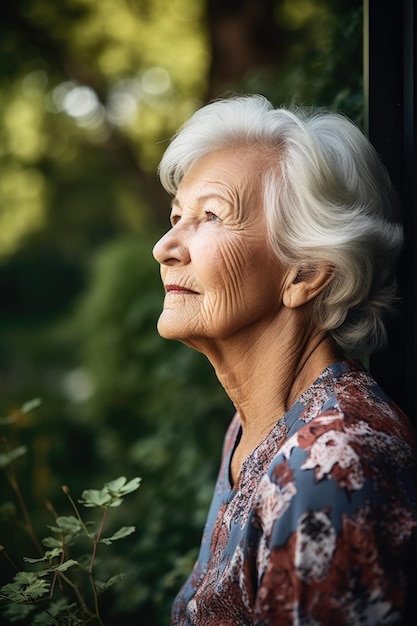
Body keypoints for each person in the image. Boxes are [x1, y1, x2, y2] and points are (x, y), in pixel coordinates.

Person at [152, 94, 417, 625]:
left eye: (210, 215)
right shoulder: (258, 424)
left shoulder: (333, 468)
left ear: (305, 273)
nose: (164, 246)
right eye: (177, 216)